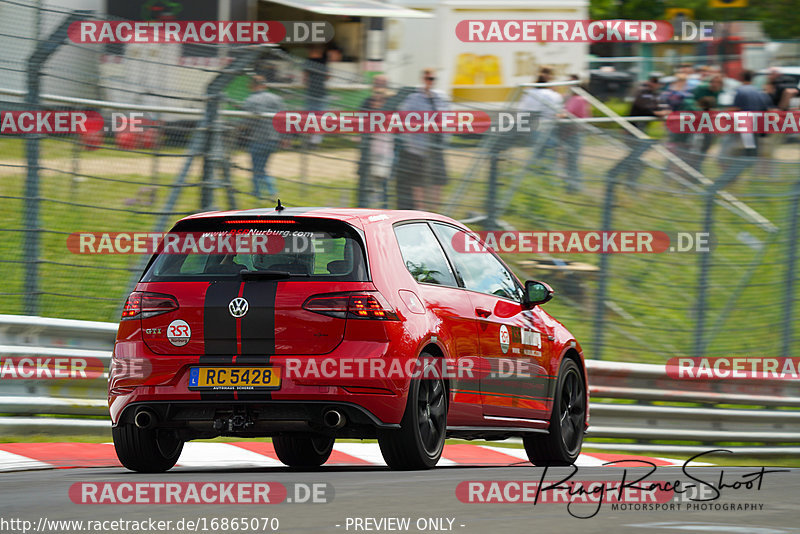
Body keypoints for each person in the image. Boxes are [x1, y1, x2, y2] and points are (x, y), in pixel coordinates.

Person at [395, 68, 450, 210]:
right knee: (418, 183)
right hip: (418, 147)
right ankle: (421, 213)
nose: (430, 82)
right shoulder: (414, 98)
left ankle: (436, 214)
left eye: (433, 79)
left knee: (437, 182)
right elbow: (403, 117)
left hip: (436, 147)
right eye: (428, 79)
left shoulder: (440, 98)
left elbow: (448, 118)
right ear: (423, 79)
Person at [241, 75, 285, 199]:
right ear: (264, 85)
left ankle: (262, 192)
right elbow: (284, 119)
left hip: (258, 139)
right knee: (262, 167)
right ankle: (266, 192)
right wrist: (285, 137)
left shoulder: (251, 100)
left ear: (251, 86)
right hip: (274, 139)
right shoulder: (276, 99)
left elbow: (246, 122)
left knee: (256, 168)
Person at [357, 75, 394, 207]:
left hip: (385, 150)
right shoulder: (367, 102)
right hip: (369, 151)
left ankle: (384, 209)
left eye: (382, 84)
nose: (379, 87)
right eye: (377, 84)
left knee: (383, 184)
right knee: (367, 184)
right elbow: (359, 123)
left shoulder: (391, 103)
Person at [518, 66, 563, 173]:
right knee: (549, 157)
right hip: (548, 129)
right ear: (550, 79)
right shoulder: (553, 95)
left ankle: (535, 174)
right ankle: (546, 175)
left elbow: (523, 111)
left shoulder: (528, 93)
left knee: (536, 155)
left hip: (532, 128)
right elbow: (557, 113)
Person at [731, 70, 773, 157]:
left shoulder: (739, 90)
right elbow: (767, 109)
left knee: (746, 150)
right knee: (755, 151)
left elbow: (735, 108)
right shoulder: (760, 91)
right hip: (758, 124)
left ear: (741, 78)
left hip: (744, 124)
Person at [560, 74, 590, 193]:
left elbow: (571, 114)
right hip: (567, 133)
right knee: (568, 161)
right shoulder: (570, 98)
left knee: (572, 161)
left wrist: (560, 115)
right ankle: (570, 186)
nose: (569, 85)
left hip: (574, 133)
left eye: (571, 83)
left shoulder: (579, 99)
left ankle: (575, 187)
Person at [304, 45, 328, 146]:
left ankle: (313, 141)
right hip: (319, 93)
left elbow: (305, 78)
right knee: (318, 118)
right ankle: (314, 141)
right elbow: (328, 76)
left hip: (314, 93)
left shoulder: (308, 63)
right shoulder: (323, 64)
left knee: (312, 118)